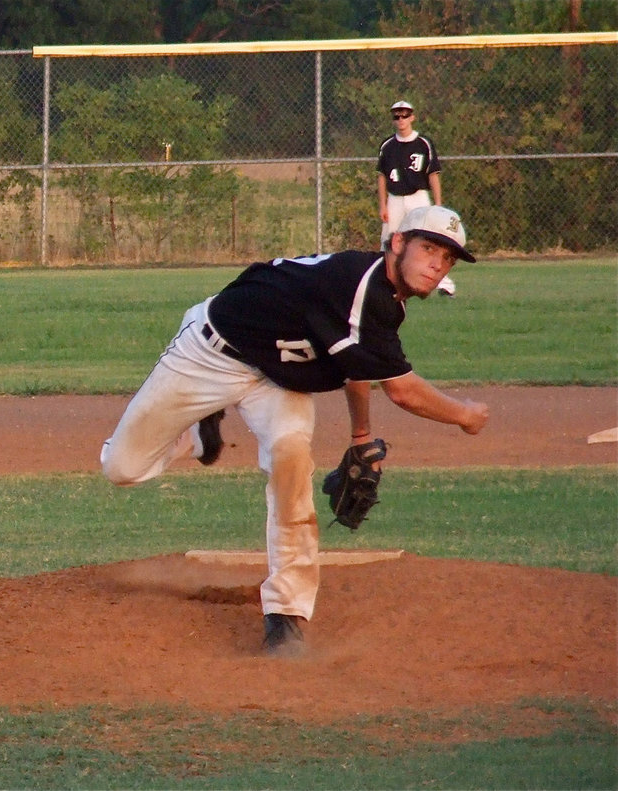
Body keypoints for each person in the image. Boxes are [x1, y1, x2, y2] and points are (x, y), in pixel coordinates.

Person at [101, 205, 488, 657]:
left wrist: (360, 436)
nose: (438, 263)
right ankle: (198, 437)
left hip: (278, 382)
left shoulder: (384, 302)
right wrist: (464, 414)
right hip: (211, 354)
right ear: (397, 243)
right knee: (122, 467)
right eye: (429, 248)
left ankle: (286, 616)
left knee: (291, 462)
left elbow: (355, 363)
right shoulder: (356, 283)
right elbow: (402, 392)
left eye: (447, 257)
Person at [377, 100, 456, 297]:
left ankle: (444, 285)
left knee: (430, 238)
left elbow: (433, 174)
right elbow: (381, 177)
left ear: (412, 117)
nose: (401, 119)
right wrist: (382, 205)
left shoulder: (423, 143)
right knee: (389, 240)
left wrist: (438, 204)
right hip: (395, 198)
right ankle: (383, 281)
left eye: (404, 115)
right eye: (396, 116)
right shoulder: (388, 145)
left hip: (418, 197)